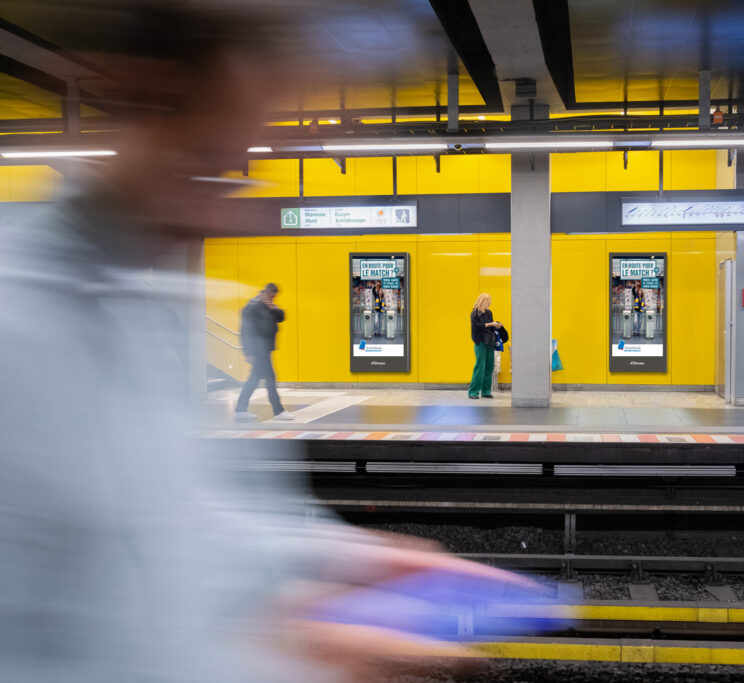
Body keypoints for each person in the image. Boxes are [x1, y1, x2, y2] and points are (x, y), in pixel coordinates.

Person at [0, 6, 525, 682]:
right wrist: (305, 659)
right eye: (215, 161)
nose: (237, 207)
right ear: (146, 90)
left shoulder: (140, 309)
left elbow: (180, 521)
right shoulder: (20, 327)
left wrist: (341, 561)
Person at [235, 283, 292, 421]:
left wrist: (273, 307)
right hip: (258, 350)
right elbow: (245, 331)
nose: (272, 299)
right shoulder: (252, 308)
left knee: (254, 379)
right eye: (271, 296)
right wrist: (248, 353)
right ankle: (278, 411)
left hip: (264, 349)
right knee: (270, 379)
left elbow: (281, 317)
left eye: (274, 297)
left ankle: (240, 409)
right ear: (264, 293)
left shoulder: (267, 306)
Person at [469, 292, 502, 399]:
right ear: (483, 301)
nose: (490, 303)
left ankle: (486, 391)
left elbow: (489, 326)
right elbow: (476, 326)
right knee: (480, 367)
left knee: (489, 367)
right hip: (480, 343)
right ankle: (473, 392)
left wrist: (496, 325)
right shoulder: (475, 313)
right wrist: (491, 324)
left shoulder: (489, 312)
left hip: (490, 342)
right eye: (488, 301)